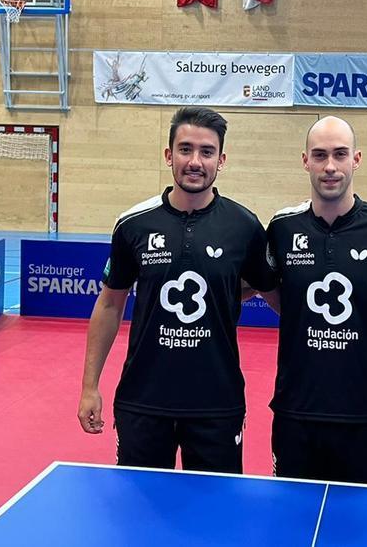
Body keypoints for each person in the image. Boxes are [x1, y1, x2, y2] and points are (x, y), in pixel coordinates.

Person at [78, 106, 278, 473]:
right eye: (185, 149)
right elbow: (109, 305)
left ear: (222, 159)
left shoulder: (245, 226)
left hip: (217, 404)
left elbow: (276, 295)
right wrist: (89, 386)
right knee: (139, 516)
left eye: (207, 151)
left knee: (215, 515)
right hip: (143, 401)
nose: (195, 161)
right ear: (169, 155)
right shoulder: (133, 225)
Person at [265, 116, 367, 485]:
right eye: (320, 155)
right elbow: (269, 291)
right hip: (296, 412)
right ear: (305, 160)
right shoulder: (281, 228)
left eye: (340, 155)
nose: (330, 166)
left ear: (356, 159)